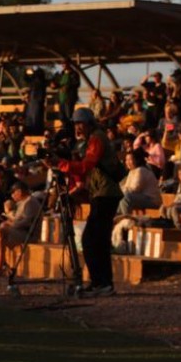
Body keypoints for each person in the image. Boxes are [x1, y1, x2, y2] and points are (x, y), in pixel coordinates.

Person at [53, 106, 122, 297]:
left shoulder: (97, 138)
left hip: (106, 194)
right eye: (75, 124)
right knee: (96, 240)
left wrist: (61, 164)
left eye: (80, 123)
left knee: (92, 240)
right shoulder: (92, 138)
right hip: (102, 193)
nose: (78, 127)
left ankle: (101, 283)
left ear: (89, 123)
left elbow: (86, 166)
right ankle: (101, 283)